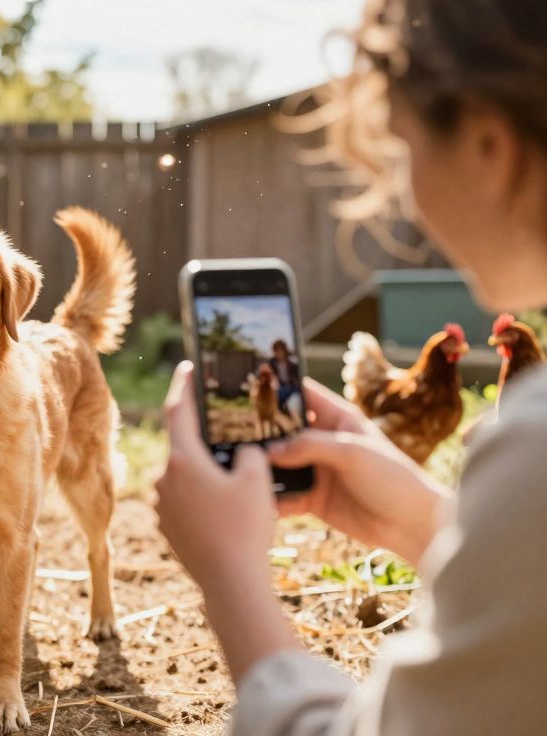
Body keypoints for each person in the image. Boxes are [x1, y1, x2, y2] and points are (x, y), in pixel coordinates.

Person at [155, 0, 547, 733]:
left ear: (490, 145)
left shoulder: (534, 446)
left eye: (403, 152)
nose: (406, 195)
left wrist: (230, 577)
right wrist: (431, 521)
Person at [267, 339, 303, 419]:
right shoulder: (272, 362)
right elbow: (271, 376)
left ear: (285, 350)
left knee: (292, 405)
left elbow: (297, 379)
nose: (279, 353)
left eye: (280, 350)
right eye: (276, 351)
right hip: (280, 388)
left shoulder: (293, 362)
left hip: (293, 388)